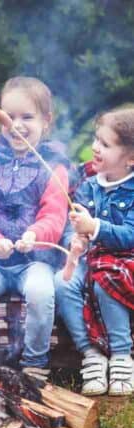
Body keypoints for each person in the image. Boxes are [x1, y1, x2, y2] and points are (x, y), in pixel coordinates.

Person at [0, 76, 70, 380]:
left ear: (46, 122)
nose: (17, 125)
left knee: (40, 291)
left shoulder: (54, 167)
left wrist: (34, 236)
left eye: (27, 117)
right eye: (10, 117)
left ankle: (35, 362)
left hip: (34, 260)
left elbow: (55, 214)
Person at [55, 108, 134, 396]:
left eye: (105, 144)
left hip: (126, 259)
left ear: (130, 159)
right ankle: (91, 354)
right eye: (95, 140)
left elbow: (130, 235)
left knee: (105, 282)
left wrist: (95, 226)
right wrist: (75, 240)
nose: (94, 147)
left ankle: (122, 356)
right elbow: (73, 225)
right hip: (92, 257)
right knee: (63, 283)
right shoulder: (89, 186)